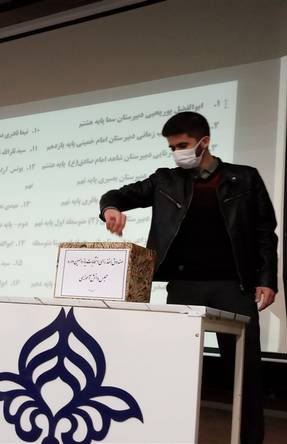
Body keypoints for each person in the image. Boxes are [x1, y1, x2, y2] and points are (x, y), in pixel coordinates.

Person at [98, 111, 277, 444]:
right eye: (172, 147)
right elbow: (117, 195)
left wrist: (267, 278)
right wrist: (110, 210)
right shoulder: (165, 180)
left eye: (182, 145)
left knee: (246, 375)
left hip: (234, 286)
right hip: (184, 287)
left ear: (203, 142)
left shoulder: (244, 178)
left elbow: (265, 231)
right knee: (175, 371)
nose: (176, 152)